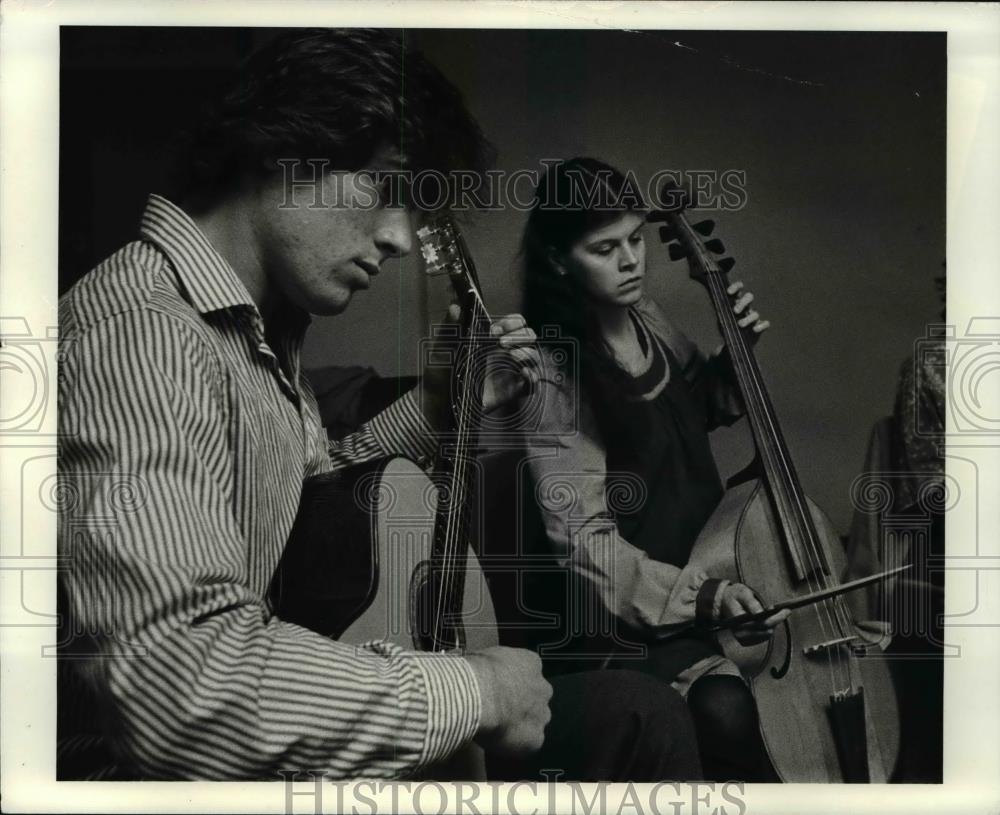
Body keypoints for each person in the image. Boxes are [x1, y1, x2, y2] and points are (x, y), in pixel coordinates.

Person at [57, 30, 701, 782]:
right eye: (384, 186)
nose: (399, 237)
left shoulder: (247, 327)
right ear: (276, 151)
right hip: (161, 782)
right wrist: (475, 689)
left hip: (278, 711)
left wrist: (432, 411)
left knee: (638, 711)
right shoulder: (145, 338)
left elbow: (312, 510)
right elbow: (182, 687)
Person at [518, 157, 789, 781]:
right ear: (560, 261)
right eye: (604, 248)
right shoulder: (555, 374)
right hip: (626, 622)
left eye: (636, 239)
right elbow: (584, 545)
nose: (631, 260)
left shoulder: (648, 321)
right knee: (726, 709)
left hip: (709, 581)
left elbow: (696, 414)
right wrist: (702, 597)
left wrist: (733, 361)